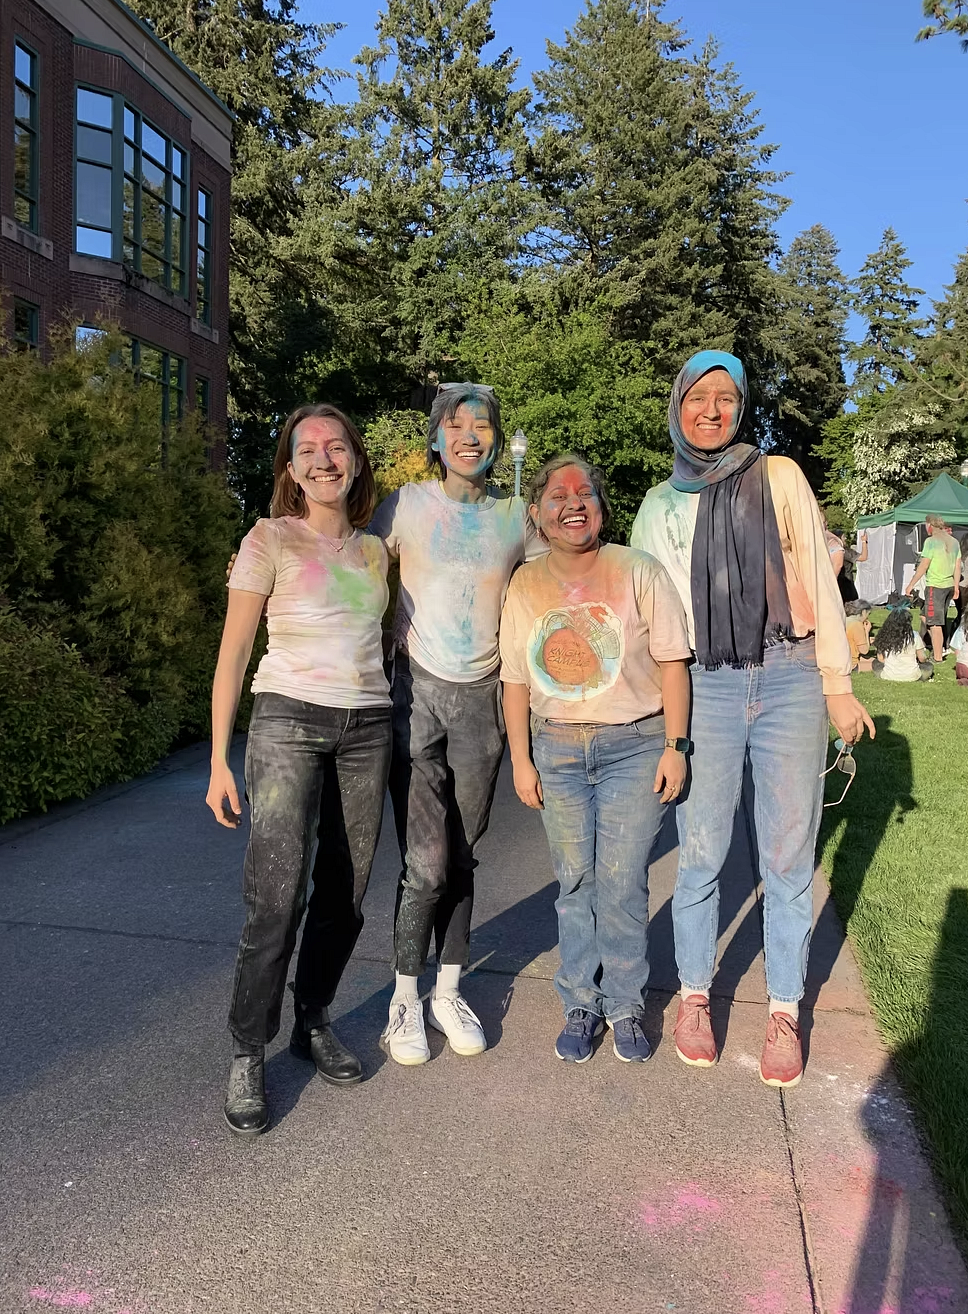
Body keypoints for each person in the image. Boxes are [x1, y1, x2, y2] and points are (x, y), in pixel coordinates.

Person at [631, 350, 874, 1090]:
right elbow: (644, 623)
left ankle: (784, 1007)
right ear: (677, 406)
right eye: (698, 397)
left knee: (788, 854)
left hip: (791, 676)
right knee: (700, 851)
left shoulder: (780, 477)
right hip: (703, 683)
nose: (711, 410)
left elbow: (817, 587)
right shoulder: (658, 504)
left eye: (726, 398)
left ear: (741, 407)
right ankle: (696, 997)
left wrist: (837, 685)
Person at [206, 404, 392, 1136]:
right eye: (307, 450)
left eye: (336, 446)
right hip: (286, 718)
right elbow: (233, 650)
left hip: (368, 725)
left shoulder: (378, 551)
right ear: (290, 469)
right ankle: (248, 1048)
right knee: (276, 895)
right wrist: (219, 757)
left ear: (355, 460)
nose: (323, 459)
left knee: (345, 893)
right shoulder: (268, 539)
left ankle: (311, 1020)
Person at [500, 456, 691, 1063]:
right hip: (555, 748)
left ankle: (627, 1003)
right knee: (574, 880)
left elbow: (672, 663)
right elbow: (513, 680)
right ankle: (581, 1000)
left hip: (635, 745)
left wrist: (676, 746)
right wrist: (521, 760)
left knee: (622, 880)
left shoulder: (638, 571)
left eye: (585, 492)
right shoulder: (525, 584)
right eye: (557, 494)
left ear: (602, 509)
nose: (572, 503)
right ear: (536, 514)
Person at [370, 383, 537, 1065]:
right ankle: (403, 1000)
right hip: (415, 695)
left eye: (483, 424)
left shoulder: (517, 518)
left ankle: (448, 989)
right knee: (427, 861)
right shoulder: (406, 505)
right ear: (436, 438)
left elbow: (560, 590)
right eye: (455, 424)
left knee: (463, 855)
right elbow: (349, 572)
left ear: (497, 439)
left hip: (483, 703)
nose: (470, 434)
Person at [905, 514, 962, 661]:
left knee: (935, 624)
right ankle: (939, 646)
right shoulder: (954, 542)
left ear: (930, 525)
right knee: (925, 616)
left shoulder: (931, 542)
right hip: (949, 586)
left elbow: (924, 565)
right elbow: (957, 566)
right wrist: (956, 586)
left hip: (936, 586)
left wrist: (911, 585)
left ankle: (937, 657)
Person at [872, 596, 934, 682]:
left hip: (888, 675)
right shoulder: (914, 635)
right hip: (912, 675)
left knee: (875, 663)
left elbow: (881, 659)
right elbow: (922, 659)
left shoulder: (884, 635)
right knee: (929, 666)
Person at [844, 599, 873, 670]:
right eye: (868, 614)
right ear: (863, 612)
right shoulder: (857, 625)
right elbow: (864, 651)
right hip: (851, 664)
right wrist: (866, 631)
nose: (868, 617)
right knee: (880, 663)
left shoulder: (844, 620)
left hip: (840, 660)